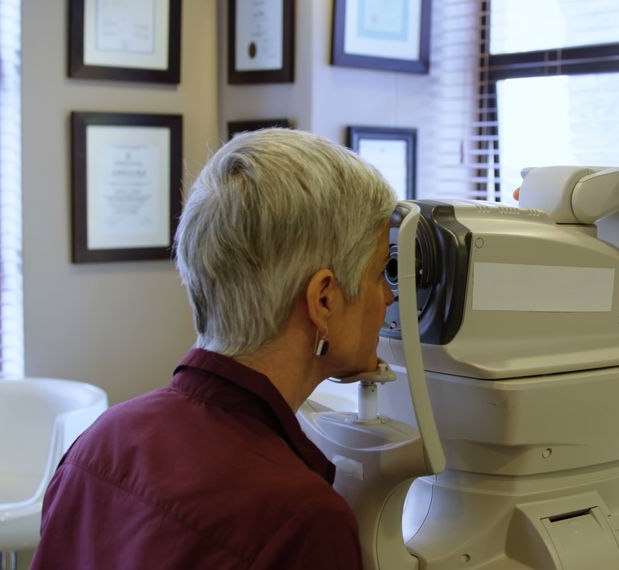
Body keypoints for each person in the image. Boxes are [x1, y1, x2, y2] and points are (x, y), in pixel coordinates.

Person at [31, 129, 398, 569]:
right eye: (381, 273)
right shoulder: (302, 519)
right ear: (323, 299)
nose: (389, 299)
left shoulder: (101, 441)